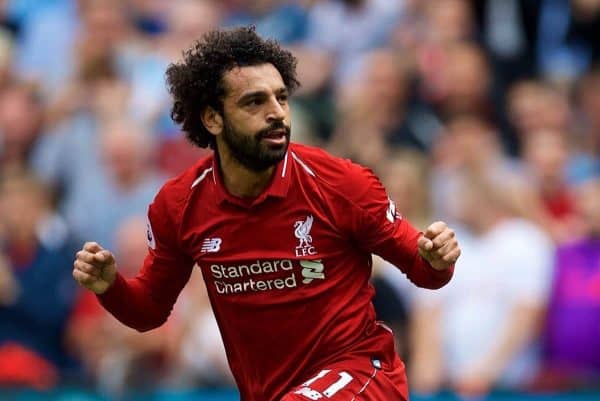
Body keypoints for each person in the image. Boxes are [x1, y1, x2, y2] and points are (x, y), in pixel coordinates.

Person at [72, 26, 461, 401]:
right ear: (212, 118)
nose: (277, 113)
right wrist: (110, 287)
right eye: (254, 101)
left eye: (281, 98)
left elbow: (424, 269)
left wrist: (436, 258)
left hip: (361, 377)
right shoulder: (178, 206)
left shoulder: (342, 184)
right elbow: (150, 310)